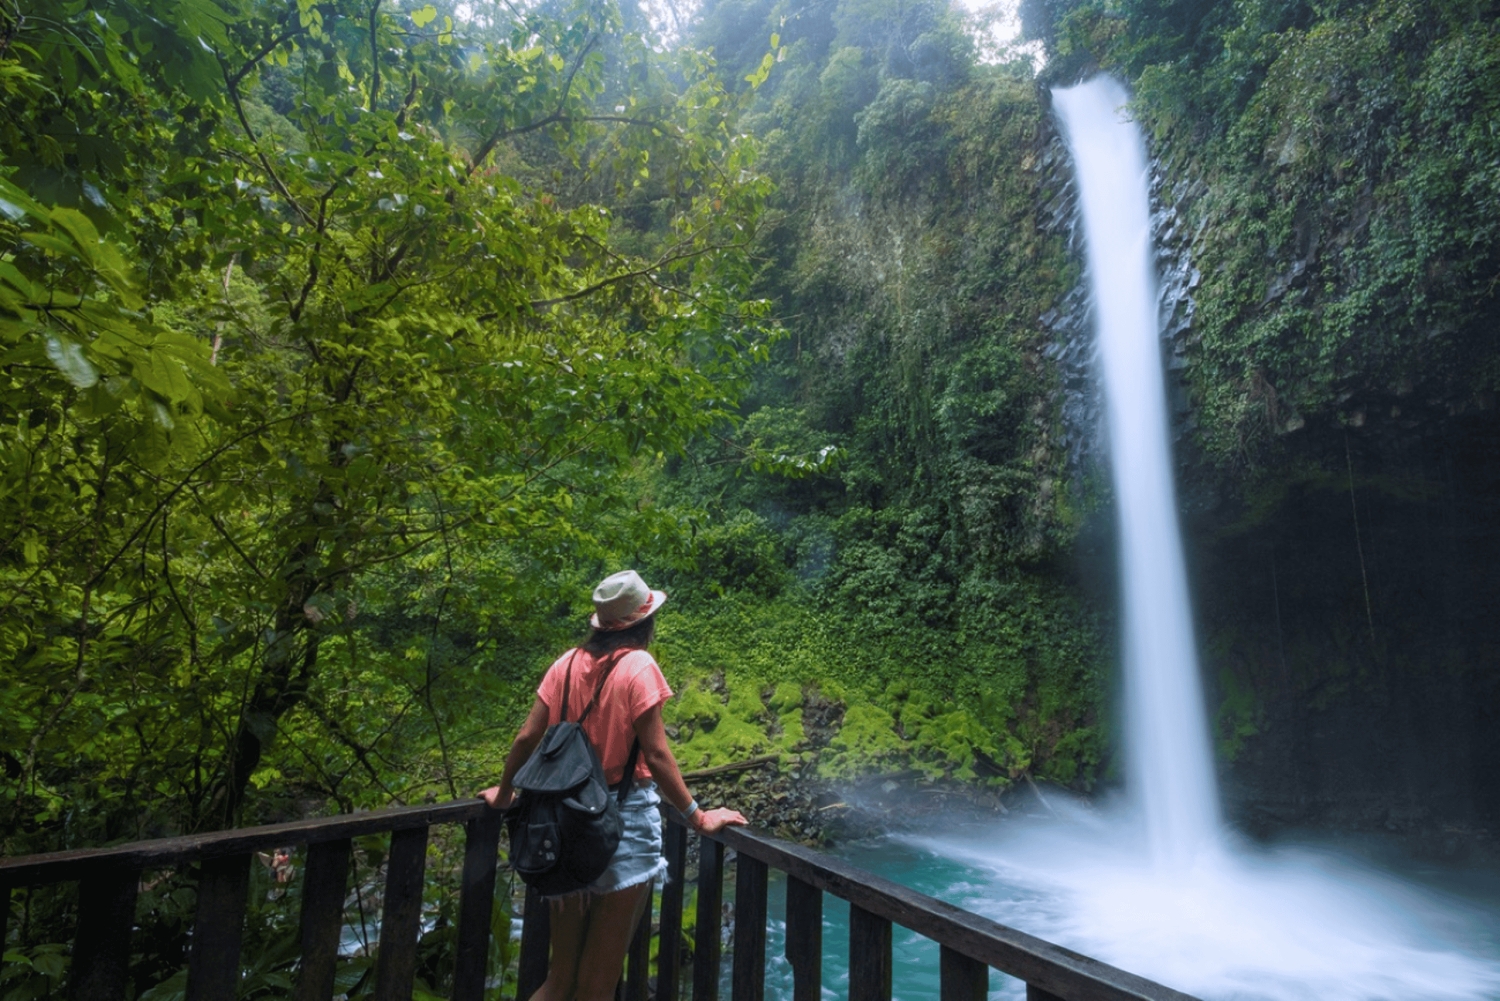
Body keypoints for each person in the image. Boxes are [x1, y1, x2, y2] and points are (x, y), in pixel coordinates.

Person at [481, 569, 747, 1001]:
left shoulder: (564, 665)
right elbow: (657, 755)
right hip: (621, 825)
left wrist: (506, 792)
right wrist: (697, 816)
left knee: (559, 977)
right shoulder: (638, 665)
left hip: (560, 826)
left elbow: (527, 737)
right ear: (643, 622)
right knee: (597, 984)